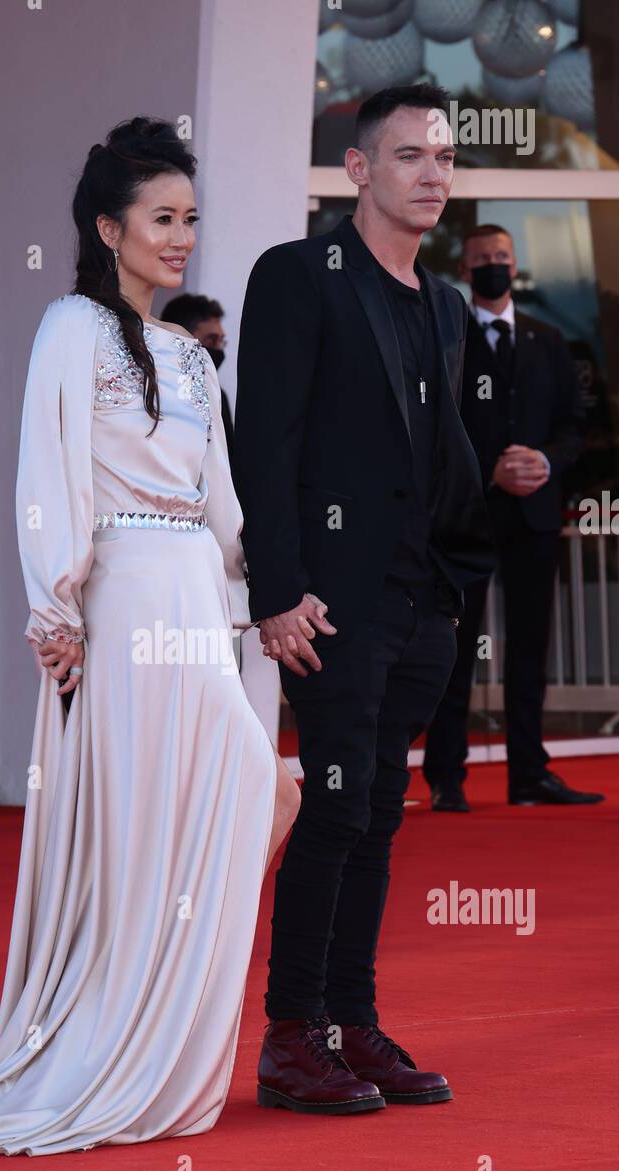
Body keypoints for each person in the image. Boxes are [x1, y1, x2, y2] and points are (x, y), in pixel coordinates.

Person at [0, 117, 301, 1157]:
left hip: (194, 600)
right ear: (109, 227)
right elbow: (43, 478)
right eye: (161, 218)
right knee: (151, 818)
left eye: (191, 218)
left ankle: (157, 1015)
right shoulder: (69, 329)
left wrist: (281, 593)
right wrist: (52, 611)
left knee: (261, 784)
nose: (181, 236)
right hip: (124, 601)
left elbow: (226, 510)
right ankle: (107, 1039)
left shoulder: (192, 356)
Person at [233, 84, 495, 1115]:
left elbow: (440, 457)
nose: (431, 175)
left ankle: (349, 1023)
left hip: (416, 610)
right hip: (327, 610)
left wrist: (453, 589)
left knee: (378, 816)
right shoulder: (298, 277)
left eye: (441, 158)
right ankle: (292, 1034)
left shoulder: (437, 304)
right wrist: (277, 592)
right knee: (336, 812)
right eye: (407, 157)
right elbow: (265, 443)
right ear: (355, 171)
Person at [423, 225, 603, 810]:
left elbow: (576, 424)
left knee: (531, 649)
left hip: (536, 516)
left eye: (502, 257)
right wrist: (487, 472)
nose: (494, 266)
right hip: (469, 517)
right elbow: (436, 428)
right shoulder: (447, 339)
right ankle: (446, 778)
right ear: (467, 270)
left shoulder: (549, 340)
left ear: (515, 263)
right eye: (483, 260)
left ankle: (530, 775)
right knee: (457, 647)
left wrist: (544, 460)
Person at [161, 293, 234, 455]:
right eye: (210, 340)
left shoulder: (218, 395)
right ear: (182, 339)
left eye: (221, 340)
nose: (219, 349)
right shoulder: (157, 390)